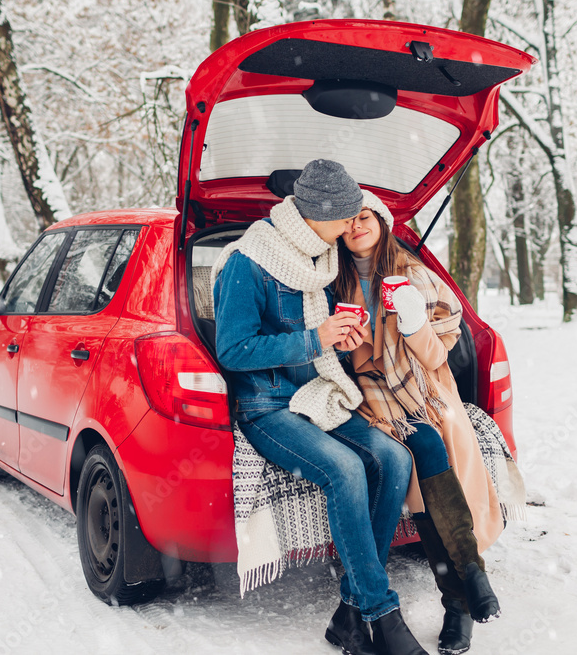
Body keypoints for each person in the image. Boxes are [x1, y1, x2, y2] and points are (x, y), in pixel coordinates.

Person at [213, 160, 430, 655]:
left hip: (316, 391)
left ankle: (349, 616)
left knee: (394, 457)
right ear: (317, 215)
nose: (353, 227)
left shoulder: (318, 257)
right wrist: (314, 339)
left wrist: (338, 337)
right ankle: (380, 614)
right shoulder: (249, 260)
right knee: (346, 470)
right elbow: (234, 352)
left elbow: (318, 337)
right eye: (346, 219)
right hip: (266, 405)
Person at [334, 190, 504, 655]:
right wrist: (349, 341)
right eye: (347, 222)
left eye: (364, 217)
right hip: (373, 398)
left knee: (432, 441)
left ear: (382, 223)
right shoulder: (336, 282)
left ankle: (460, 597)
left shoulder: (418, 278)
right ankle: (466, 587)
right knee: (423, 448)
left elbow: (433, 358)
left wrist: (411, 321)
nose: (356, 227)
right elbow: (352, 366)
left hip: (426, 393)